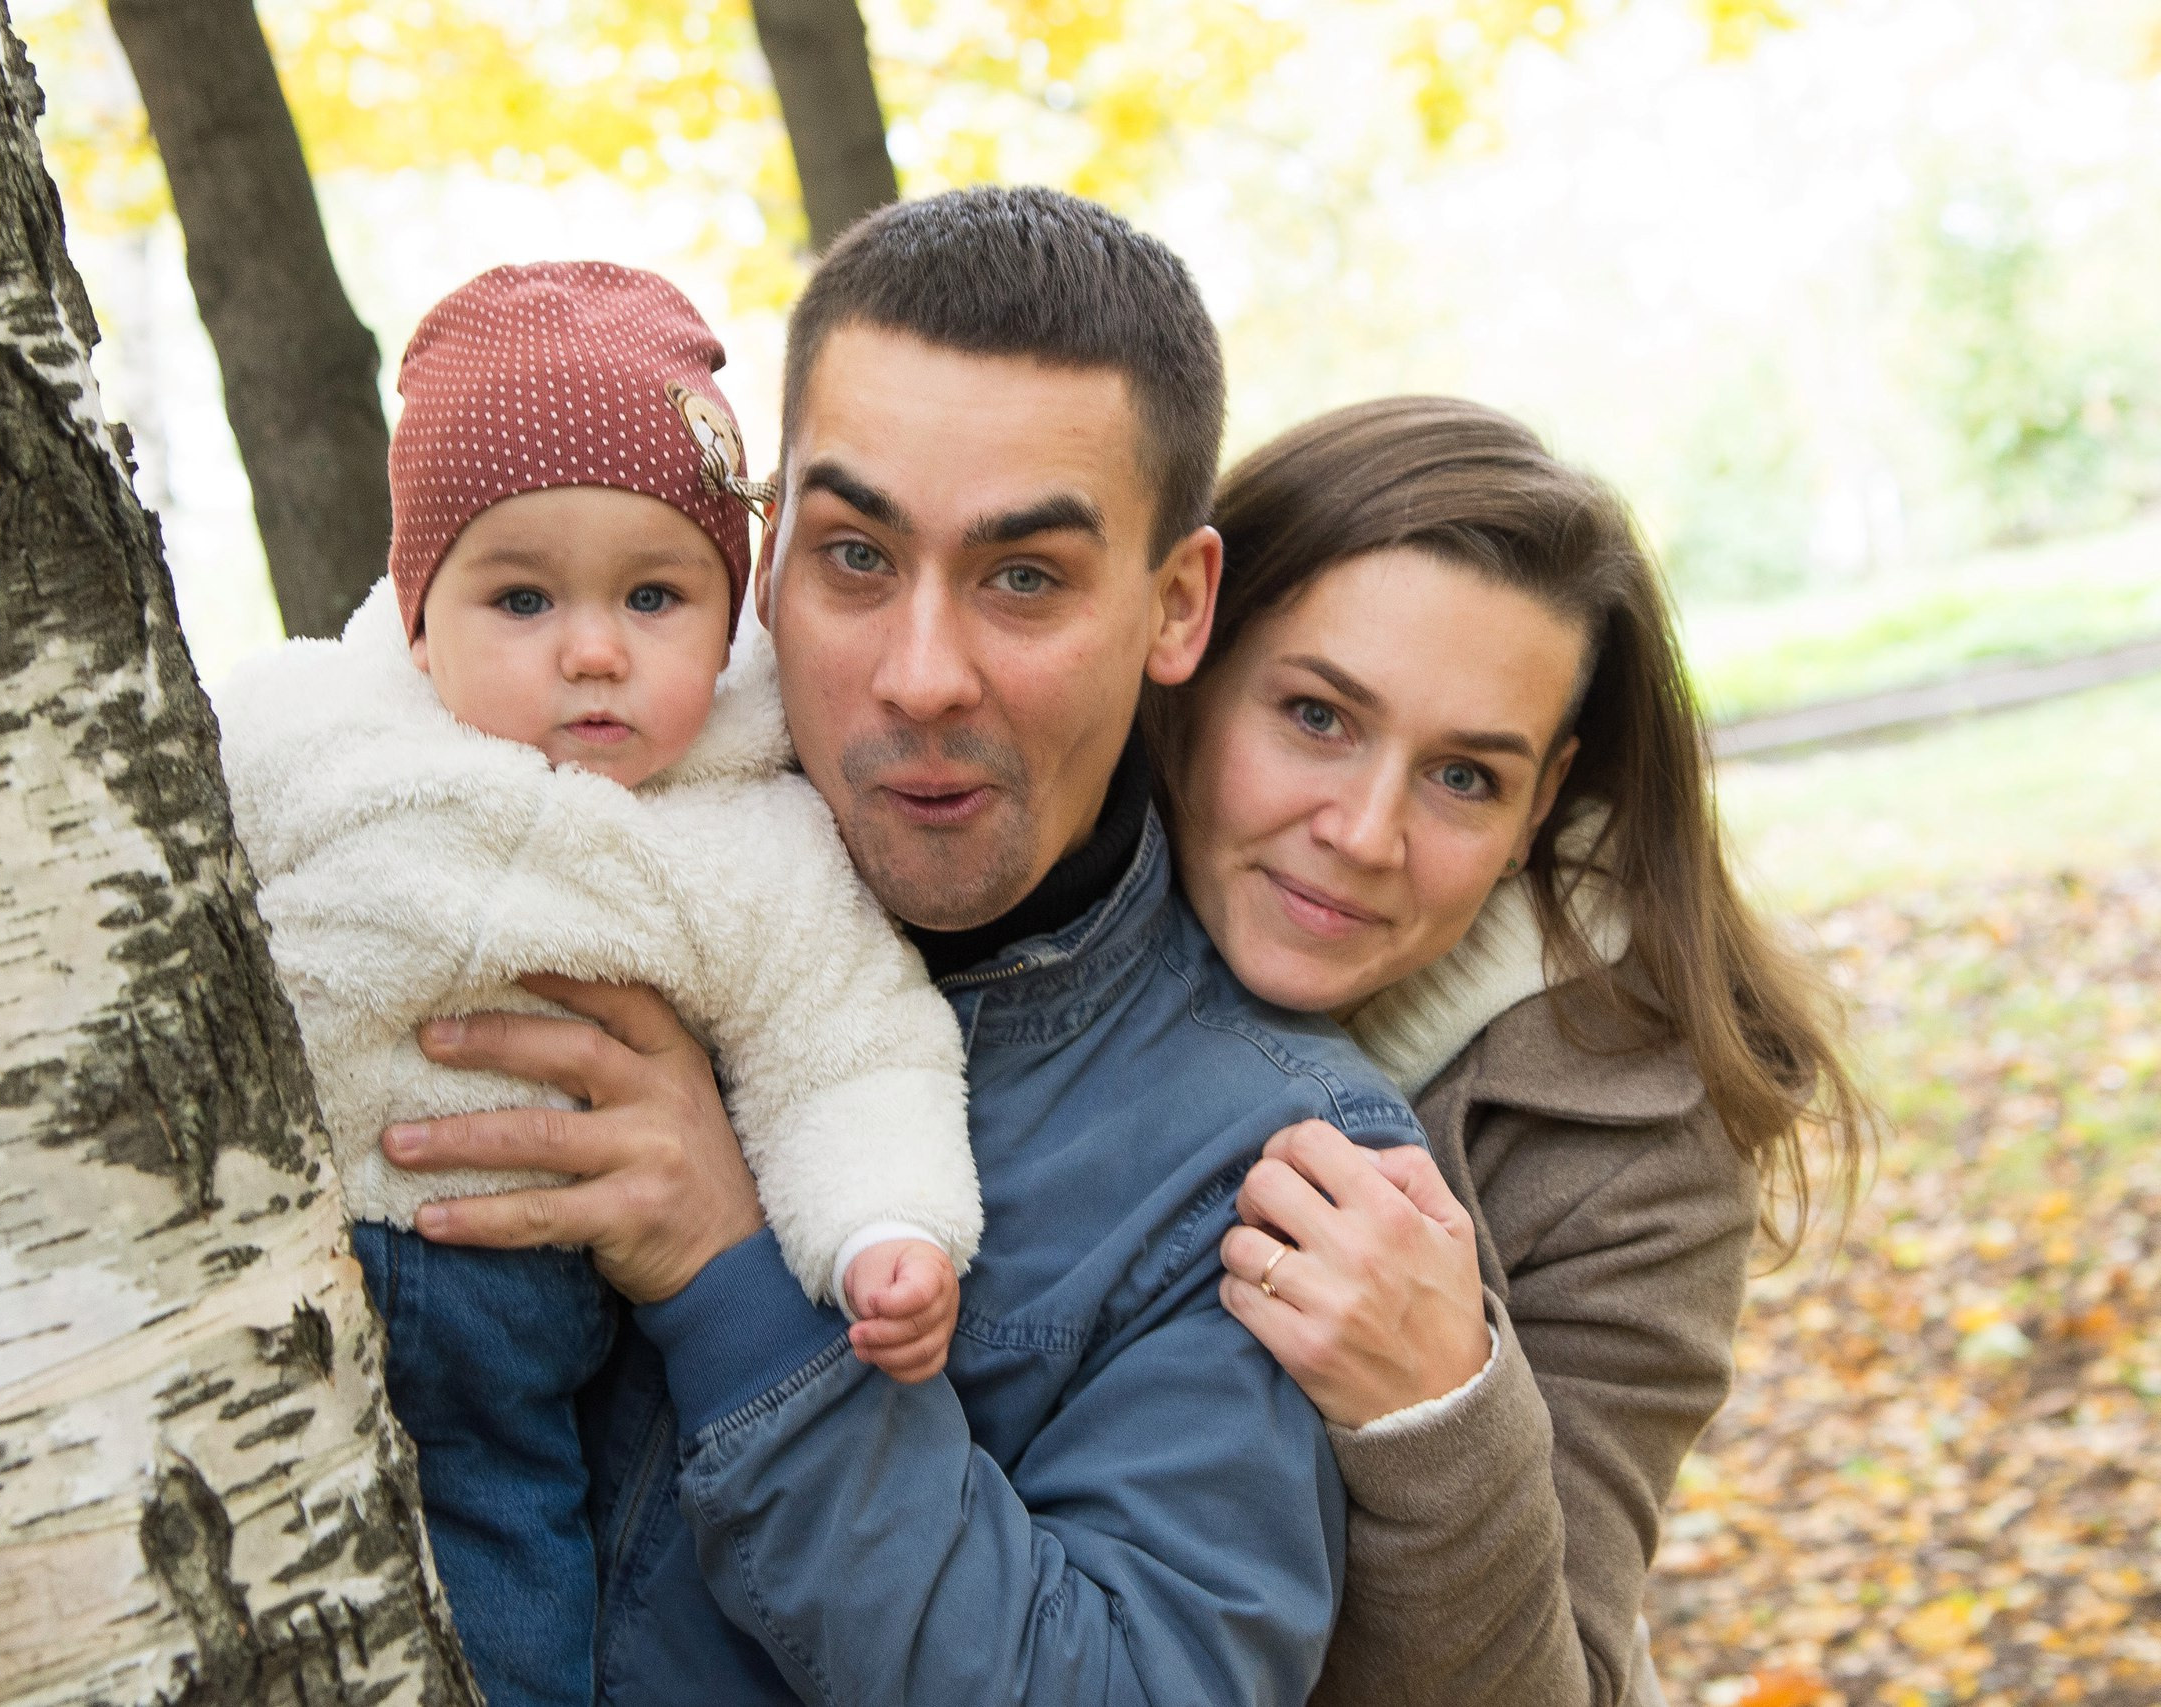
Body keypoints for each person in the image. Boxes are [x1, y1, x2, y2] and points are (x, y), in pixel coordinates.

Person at [376, 188, 1430, 1704]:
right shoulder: (518, 826)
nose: (922, 677)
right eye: (856, 557)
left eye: (1025, 579)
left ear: (1176, 605)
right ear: (766, 550)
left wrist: (731, 1280)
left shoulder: (1265, 1167)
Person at [213, 262, 982, 1707]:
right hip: (244, 1262)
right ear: (418, 611)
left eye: (653, 594)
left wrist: (891, 1226)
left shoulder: (753, 840)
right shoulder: (303, 731)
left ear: (729, 614)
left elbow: (851, 1049)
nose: (592, 649)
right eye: (521, 596)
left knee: (508, 1639)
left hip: (503, 1333)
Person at [1149, 396, 1874, 1706]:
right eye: (1317, 715)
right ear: (1187, 655)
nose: (1366, 832)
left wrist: (1435, 1414)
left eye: (1465, 777)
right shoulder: (996, 916)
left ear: (1544, 802)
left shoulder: (1637, 1134)